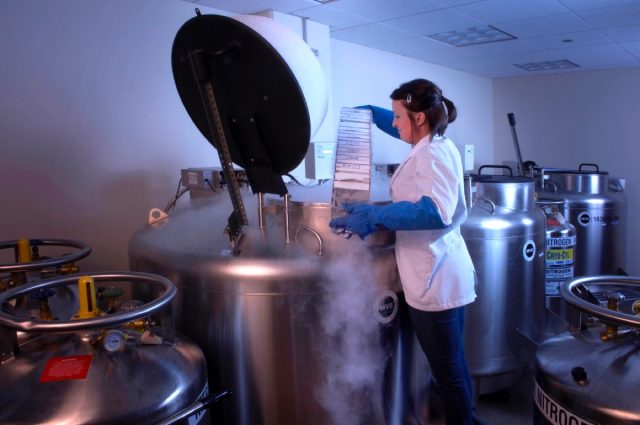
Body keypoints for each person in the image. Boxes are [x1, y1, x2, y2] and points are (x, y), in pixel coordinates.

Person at [330, 78, 477, 424]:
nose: (394, 124)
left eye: (398, 116)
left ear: (420, 118)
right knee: (455, 365)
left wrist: (376, 216)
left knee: (449, 373)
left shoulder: (433, 154)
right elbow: (402, 131)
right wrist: (369, 116)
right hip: (442, 271)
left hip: (435, 280)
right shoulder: (435, 142)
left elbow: (435, 211)